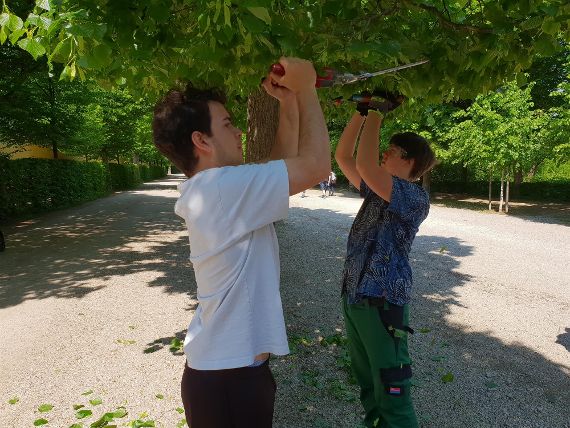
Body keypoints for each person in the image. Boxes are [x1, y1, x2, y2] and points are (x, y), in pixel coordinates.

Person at [152, 57, 330, 428]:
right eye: (228, 124)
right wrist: (307, 87)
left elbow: (281, 162)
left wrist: (288, 102)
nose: (239, 133)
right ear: (201, 140)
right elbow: (314, 166)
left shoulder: (217, 189)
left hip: (227, 371)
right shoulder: (222, 189)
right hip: (229, 376)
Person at [335, 97, 436, 428]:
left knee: (393, 389)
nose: (383, 155)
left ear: (408, 161)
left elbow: (364, 164)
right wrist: (360, 112)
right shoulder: (379, 191)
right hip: (357, 298)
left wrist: (378, 112)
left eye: (390, 151)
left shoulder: (412, 197)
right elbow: (344, 157)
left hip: (382, 303)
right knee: (369, 387)